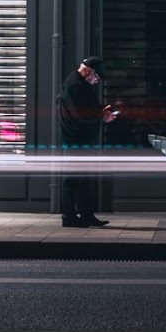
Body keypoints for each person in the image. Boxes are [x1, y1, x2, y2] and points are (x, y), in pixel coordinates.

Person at [57, 56, 116, 227]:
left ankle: (86, 215)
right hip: (75, 140)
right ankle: (69, 217)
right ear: (89, 70)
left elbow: (86, 108)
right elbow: (80, 114)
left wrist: (101, 110)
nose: (97, 81)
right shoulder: (74, 85)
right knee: (72, 179)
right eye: (97, 77)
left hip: (79, 139)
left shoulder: (80, 84)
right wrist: (102, 116)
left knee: (82, 179)